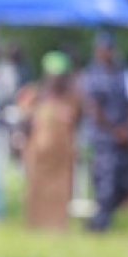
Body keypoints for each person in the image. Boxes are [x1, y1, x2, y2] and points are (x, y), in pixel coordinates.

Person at [16, 51, 82, 230]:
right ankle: (35, 226)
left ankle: (58, 228)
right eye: (53, 76)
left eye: (60, 77)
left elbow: (78, 121)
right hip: (37, 154)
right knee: (36, 190)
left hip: (62, 155)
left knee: (60, 192)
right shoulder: (34, 94)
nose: (56, 81)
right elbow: (23, 121)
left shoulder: (73, 98)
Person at [79, 32, 128, 232]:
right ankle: (101, 221)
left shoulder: (126, 73)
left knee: (124, 180)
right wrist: (114, 130)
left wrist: (127, 129)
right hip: (102, 136)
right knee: (104, 178)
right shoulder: (91, 74)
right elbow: (93, 107)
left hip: (124, 137)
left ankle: (106, 217)